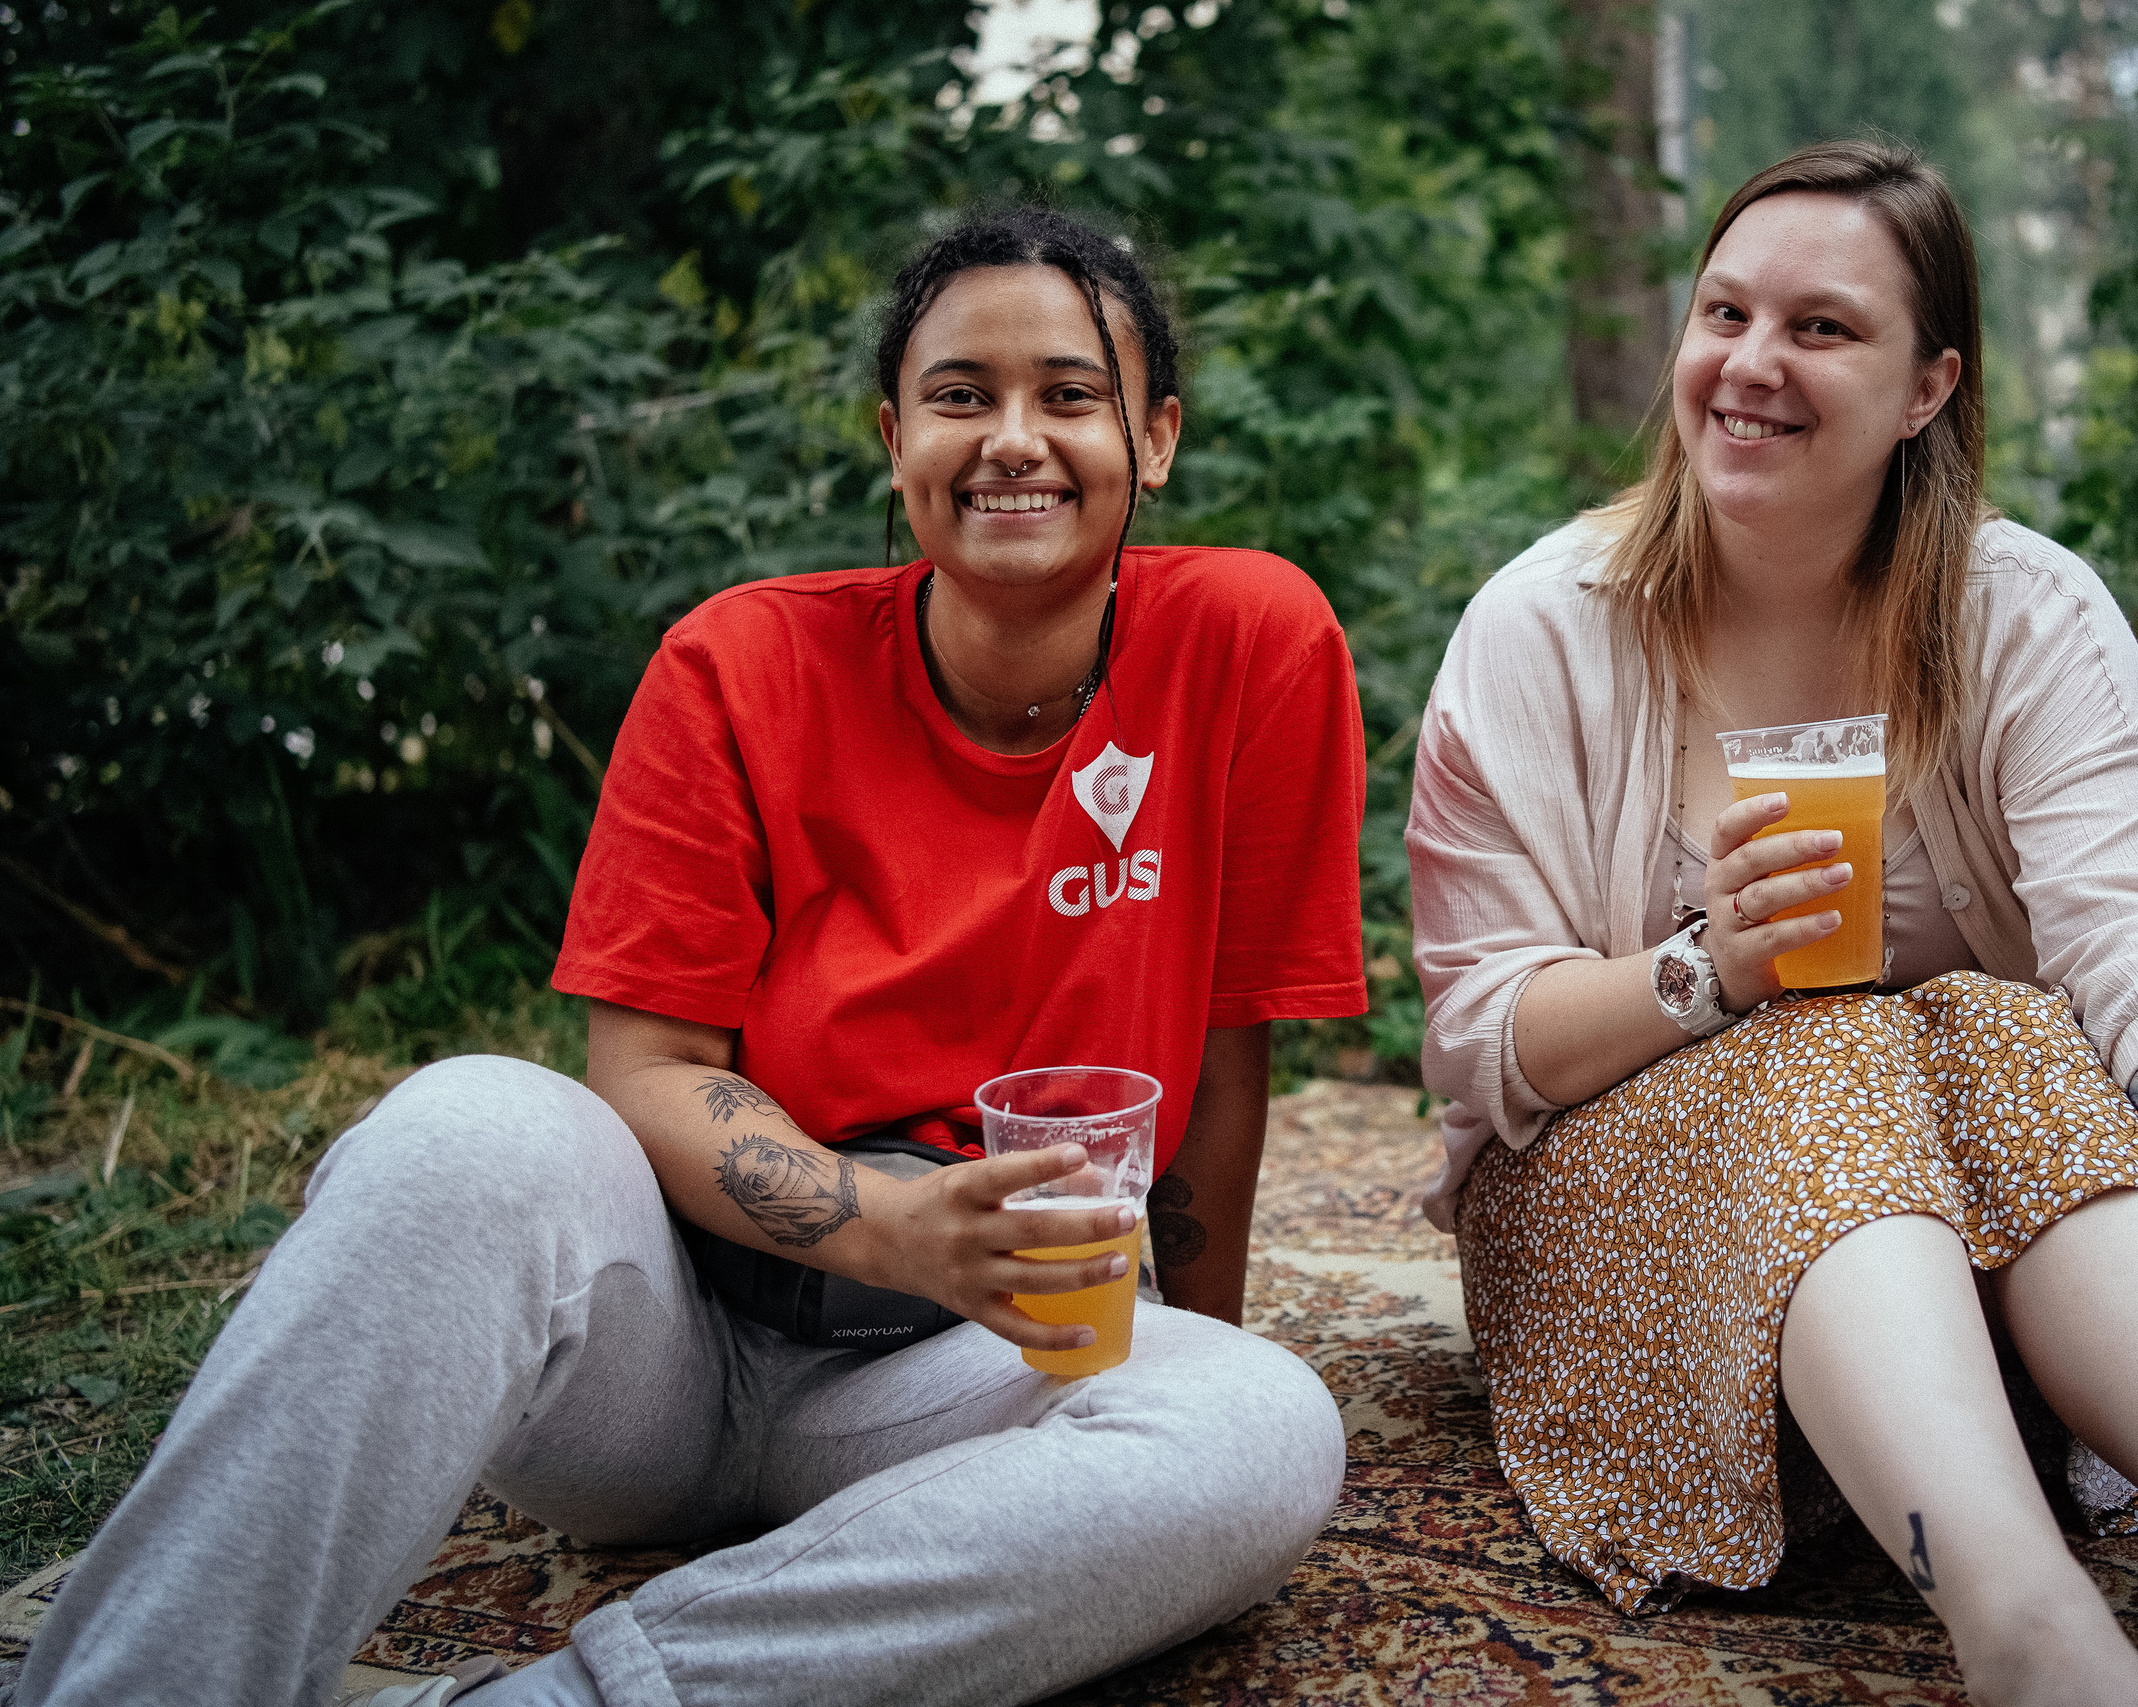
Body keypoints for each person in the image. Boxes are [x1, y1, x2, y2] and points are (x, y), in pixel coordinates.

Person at [21, 207, 1368, 1707]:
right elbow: (646, 1073)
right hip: (665, 1360)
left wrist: (1153, 1383)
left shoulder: (1250, 641)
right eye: (959, 395)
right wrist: (889, 1227)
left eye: (1069, 394)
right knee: (470, 1120)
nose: (1013, 439)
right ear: (893, 434)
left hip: (969, 1374)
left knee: (1261, 1424)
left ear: (1157, 436)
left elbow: (1231, 1048)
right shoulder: (739, 664)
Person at [1406, 141, 2138, 1707]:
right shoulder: (1549, 625)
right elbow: (1478, 1040)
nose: (1750, 365)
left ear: (1927, 386)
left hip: (1973, 1295)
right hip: (1625, 1262)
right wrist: (1706, 973)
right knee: (1819, 1037)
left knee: (2001, 1021)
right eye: (1724, 312)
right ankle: (2029, 1633)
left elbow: (2137, 953)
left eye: (1820, 328)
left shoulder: (2025, 612)